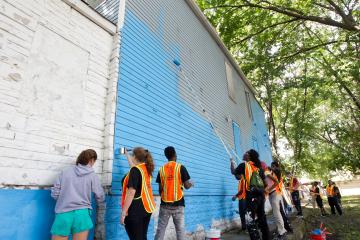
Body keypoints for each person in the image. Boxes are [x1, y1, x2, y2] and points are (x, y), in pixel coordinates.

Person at [50, 149, 105, 240]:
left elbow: (55, 193)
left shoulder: (65, 172)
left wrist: (64, 200)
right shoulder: (93, 176)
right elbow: (100, 196)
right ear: (91, 160)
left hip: (64, 213)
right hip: (82, 214)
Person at [155, 146, 193, 240]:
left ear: (166, 156)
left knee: (160, 229)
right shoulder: (181, 168)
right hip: (178, 204)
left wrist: (165, 197)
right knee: (180, 230)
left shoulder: (162, 169)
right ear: (175, 154)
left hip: (164, 204)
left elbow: (160, 189)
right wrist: (191, 184)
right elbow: (187, 186)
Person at [231, 149, 270, 240]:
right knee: (262, 219)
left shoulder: (244, 165)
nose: (244, 153)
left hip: (252, 197)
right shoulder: (259, 169)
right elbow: (265, 184)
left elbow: (234, 172)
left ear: (249, 156)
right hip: (261, 197)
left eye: (246, 152)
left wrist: (232, 162)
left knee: (249, 219)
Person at [121, 147, 156, 240]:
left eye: (132, 155)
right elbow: (133, 167)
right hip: (146, 209)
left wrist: (124, 212)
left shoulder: (136, 171)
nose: (131, 157)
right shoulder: (145, 168)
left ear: (135, 157)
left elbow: (131, 192)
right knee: (142, 237)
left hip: (135, 210)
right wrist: (127, 154)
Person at [265, 161, 292, 239]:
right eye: (271, 166)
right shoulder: (273, 173)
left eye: (273, 166)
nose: (272, 167)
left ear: (276, 167)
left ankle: (282, 231)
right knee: (279, 213)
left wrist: (270, 169)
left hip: (275, 193)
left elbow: (276, 173)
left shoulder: (277, 172)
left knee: (277, 214)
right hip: (276, 194)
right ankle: (283, 229)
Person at [231, 153, 249, 231]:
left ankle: (245, 227)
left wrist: (236, 196)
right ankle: (244, 227)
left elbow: (242, 190)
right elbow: (233, 172)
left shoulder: (243, 179)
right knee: (243, 213)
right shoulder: (242, 179)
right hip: (243, 198)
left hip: (244, 198)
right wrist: (231, 163)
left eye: (237, 176)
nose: (236, 177)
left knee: (243, 213)